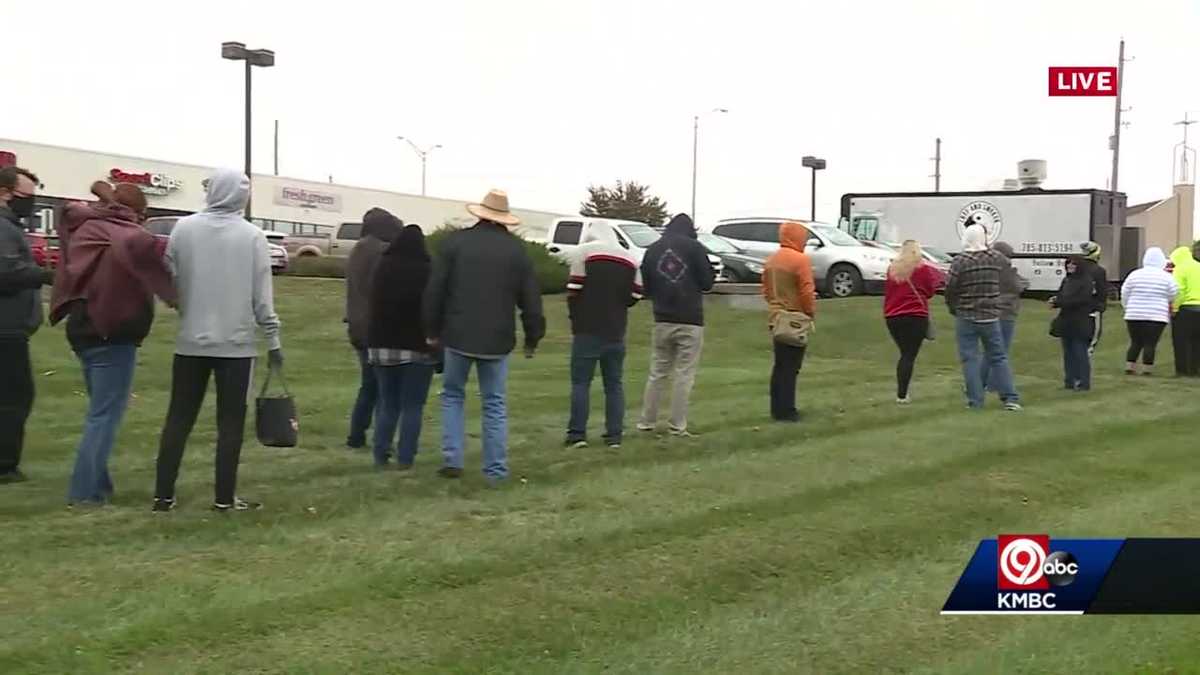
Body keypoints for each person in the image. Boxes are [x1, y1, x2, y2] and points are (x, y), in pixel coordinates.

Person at [153, 169, 283, 512]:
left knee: (178, 418)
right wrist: (273, 339)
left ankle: (163, 496)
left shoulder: (184, 229)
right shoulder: (252, 237)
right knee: (230, 423)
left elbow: (172, 275)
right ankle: (224, 498)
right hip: (236, 345)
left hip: (190, 340)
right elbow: (262, 297)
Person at [50, 182, 176, 506]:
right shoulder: (124, 233)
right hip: (111, 329)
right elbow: (149, 254)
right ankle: (85, 494)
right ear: (138, 213)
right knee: (105, 416)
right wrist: (179, 296)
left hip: (81, 326)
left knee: (99, 412)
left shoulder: (85, 226)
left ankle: (98, 484)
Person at [423, 189, 544, 482]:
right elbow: (531, 299)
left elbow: (435, 290)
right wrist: (533, 336)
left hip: (458, 334)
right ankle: (496, 470)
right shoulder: (517, 252)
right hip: (498, 339)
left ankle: (453, 458)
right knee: (494, 403)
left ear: (479, 214)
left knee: (452, 396)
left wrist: (430, 330)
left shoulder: (455, 244)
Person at [564, 226, 643, 448]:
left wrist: (575, 317)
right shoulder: (630, 258)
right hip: (616, 330)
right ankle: (614, 436)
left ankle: (577, 435)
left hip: (587, 328)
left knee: (581, 383)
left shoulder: (583, 252)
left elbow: (574, 288)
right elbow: (636, 294)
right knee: (614, 384)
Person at [637, 213, 715, 436]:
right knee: (684, 375)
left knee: (657, 373)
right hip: (690, 319)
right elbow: (707, 282)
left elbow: (647, 288)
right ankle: (677, 425)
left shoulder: (652, 250)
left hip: (662, 319)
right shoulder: (695, 248)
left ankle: (646, 422)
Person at [366, 224, 437, 469]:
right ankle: (406, 458)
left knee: (388, 403)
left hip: (381, 346)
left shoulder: (382, 267)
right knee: (412, 406)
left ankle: (380, 454)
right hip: (416, 347)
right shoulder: (427, 270)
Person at [0, 166, 55, 483]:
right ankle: (5, 466)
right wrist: (46, 276)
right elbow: (7, 274)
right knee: (14, 397)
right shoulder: (3, 228)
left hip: (10, 326)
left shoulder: (11, 226)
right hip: (5, 327)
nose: (32, 203)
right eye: (28, 197)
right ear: (6, 193)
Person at [944, 224, 1022, 411]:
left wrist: (953, 307)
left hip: (966, 314)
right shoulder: (994, 258)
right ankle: (1010, 398)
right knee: (998, 357)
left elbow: (951, 288)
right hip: (991, 315)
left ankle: (975, 401)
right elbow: (1008, 269)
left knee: (970, 359)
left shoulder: (960, 261)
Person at [344, 208, 400, 450]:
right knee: (381, 387)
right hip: (375, 327)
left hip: (356, 325)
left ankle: (357, 434)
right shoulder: (380, 251)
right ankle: (376, 438)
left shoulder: (358, 249)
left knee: (369, 384)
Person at [762, 221, 817, 421]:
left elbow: (766, 290)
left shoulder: (771, 260)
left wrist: (774, 305)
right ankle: (788, 410)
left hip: (776, 316)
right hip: (794, 317)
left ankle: (776, 408)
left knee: (779, 365)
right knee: (791, 366)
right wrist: (810, 312)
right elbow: (806, 290)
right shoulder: (800, 260)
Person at [882, 239, 943, 404]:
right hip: (916, 315)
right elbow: (930, 291)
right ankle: (902, 394)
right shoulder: (923, 270)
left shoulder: (892, 270)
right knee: (909, 355)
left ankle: (902, 393)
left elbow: (888, 292)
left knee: (904, 353)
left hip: (892, 316)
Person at [981, 241, 1029, 391]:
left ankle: (979, 382)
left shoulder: (986, 267)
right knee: (1000, 351)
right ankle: (994, 384)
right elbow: (1019, 285)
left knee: (989, 351)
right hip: (1005, 311)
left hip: (988, 311)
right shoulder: (1006, 269)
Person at [1051, 256, 1097, 391]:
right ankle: (1069, 380)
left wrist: (1060, 302)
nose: (1070, 266)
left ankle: (1083, 381)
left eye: (1073, 264)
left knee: (1079, 351)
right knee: (1068, 352)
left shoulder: (1086, 281)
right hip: (1066, 320)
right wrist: (1055, 301)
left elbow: (1082, 300)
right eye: (1068, 264)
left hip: (1080, 320)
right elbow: (1061, 295)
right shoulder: (1067, 280)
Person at [1169, 245, 1200, 377]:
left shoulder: (1181, 269)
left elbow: (1179, 291)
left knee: (1181, 341)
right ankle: (1196, 369)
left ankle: (1182, 370)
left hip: (1186, 309)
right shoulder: (1198, 266)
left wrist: (1175, 307)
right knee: (1197, 342)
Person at [1078, 241, 1108, 356]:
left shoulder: (1076, 268)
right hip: (1092, 308)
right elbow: (1102, 291)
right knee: (1091, 337)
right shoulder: (1099, 271)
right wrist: (1101, 306)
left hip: (1075, 308)